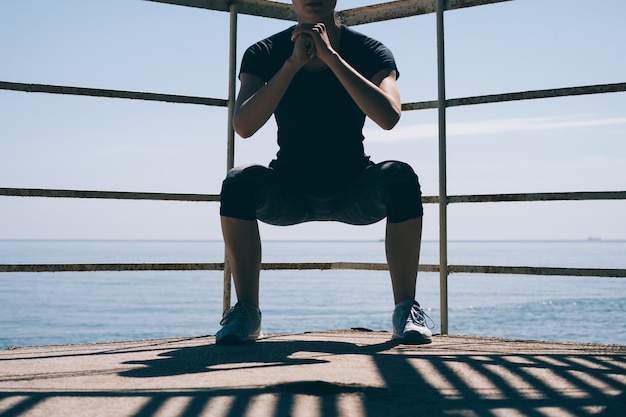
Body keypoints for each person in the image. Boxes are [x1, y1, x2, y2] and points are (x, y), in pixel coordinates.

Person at [217, 0, 432, 345]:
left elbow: (389, 116)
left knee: (400, 176)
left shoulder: (369, 50)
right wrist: (291, 65)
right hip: (290, 191)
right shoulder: (264, 52)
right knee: (238, 181)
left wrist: (332, 59)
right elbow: (243, 126)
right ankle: (246, 312)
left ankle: (406, 310)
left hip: (353, 189)